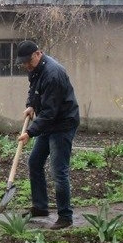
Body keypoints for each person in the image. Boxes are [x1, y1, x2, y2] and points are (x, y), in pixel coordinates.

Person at [15, 40, 80, 230]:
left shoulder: (53, 74)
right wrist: (31, 104)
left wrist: (30, 132)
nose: (26, 65)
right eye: (23, 62)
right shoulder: (35, 69)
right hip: (48, 121)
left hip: (62, 124)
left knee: (58, 171)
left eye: (28, 61)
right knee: (34, 162)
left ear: (38, 54)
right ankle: (41, 207)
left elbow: (51, 112)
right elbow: (34, 90)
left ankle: (65, 216)